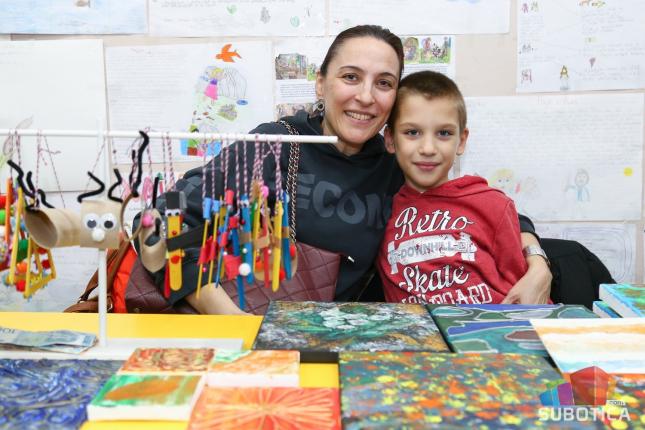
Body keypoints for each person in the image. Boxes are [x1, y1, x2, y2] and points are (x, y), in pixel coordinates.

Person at [148, 25, 552, 314]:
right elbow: (159, 222)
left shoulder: (396, 163)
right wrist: (231, 322)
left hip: (334, 340)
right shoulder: (277, 144)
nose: (364, 96)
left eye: (384, 83)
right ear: (321, 84)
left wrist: (537, 263)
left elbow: (487, 210)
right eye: (350, 77)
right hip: (239, 333)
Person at [377, 71, 531, 305]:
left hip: (491, 332)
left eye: (444, 133)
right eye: (412, 132)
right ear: (390, 139)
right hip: (419, 337)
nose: (428, 148)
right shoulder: (379, 215)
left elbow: (524, 292)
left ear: (461, 141)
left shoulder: (492, 204)